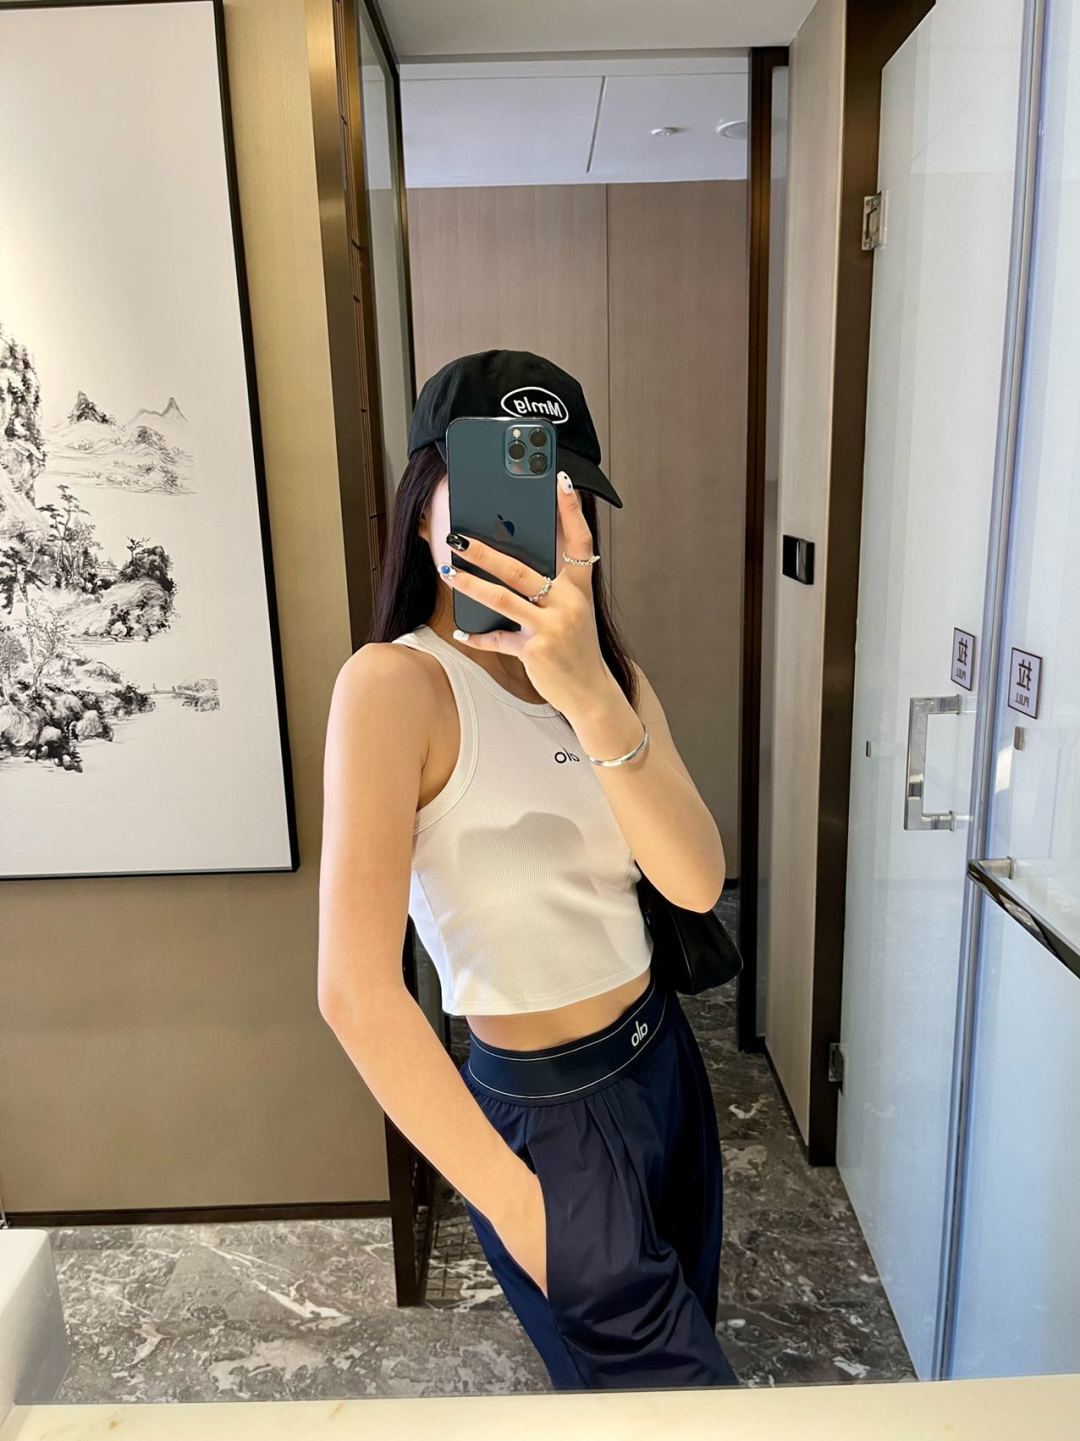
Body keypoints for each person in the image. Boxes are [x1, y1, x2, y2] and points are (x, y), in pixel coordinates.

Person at [318, 350, 737, 1391]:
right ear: (427, 506)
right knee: (673, 1400)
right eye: (501, 489)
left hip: (665, 1069)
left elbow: (694, 883)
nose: (529, 524)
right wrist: (514, 1206)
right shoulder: (394, 687)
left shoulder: (609, 677)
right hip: (550, 1125)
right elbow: (355, 991)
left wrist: (589, 690)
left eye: (561, 496)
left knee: (682, 1376)